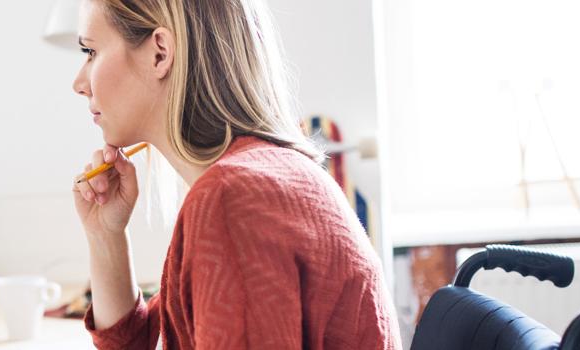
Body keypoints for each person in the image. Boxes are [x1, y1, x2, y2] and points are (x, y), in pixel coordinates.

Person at [70, 0, 401, 348]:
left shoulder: (233, 200)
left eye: (91, 51)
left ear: (160, 54)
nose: (79, 83)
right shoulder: (260, 180)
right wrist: (105, 236)